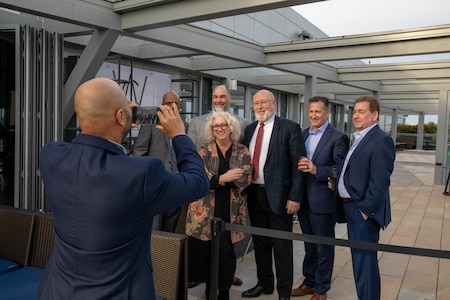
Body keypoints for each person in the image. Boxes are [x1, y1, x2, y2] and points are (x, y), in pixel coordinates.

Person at [38, 78, 209, 300]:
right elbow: (198, 182)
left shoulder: (51, 156)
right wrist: (179, 135)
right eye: (125, 105)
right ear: (120, 116)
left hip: (57, 290)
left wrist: (119, 122)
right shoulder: (141, 174)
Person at [242, 89, 306, 300]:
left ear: (274, 103)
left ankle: (284, 293)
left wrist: (295, 197)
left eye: (264, 102)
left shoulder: (289, 128)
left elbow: (298, 166)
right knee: (260, 243)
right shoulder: (250, 129)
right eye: (256, 103)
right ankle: (265, 284)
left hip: (280, 198)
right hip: (255, 195)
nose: (260, 107)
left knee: (281, 247)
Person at [185, 111, 252, 300]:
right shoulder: (204, 150)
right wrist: (224, 177)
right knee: (206, 253)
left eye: (224, 125)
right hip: (205, 211)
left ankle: (224, 291)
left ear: (231, 127)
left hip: (230, 210)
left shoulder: (242, 150)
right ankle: (209, 290)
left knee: (226, 254)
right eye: (216, 126)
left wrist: (215, 180)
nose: (220, 129)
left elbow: (246, 175)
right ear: (212, 130)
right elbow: (200, 177)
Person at [334, 96, 395, 300]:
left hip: (362, 212)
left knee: (364, 264)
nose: (355, 115)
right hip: (351, 209)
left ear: (374, 115)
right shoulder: (359, 138)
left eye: (361, 111)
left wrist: (365, 211)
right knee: (360, 262)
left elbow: (380, 181)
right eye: (354, 111)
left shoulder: (381, 140)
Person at [291, 96, 349, 300]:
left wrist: (317, 169)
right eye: (311, 112)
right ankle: (309, 282)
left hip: (323, 201)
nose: (313, 115)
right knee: (308, 244)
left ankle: (321, 289)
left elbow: (341, 169)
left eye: (318, 112)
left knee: (324, 247)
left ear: (327, 113)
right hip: (303, 200)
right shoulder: (304, 133)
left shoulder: (338, 137)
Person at [133, 91, 189, 233]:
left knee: (171, 229)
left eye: (175, 102)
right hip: (156, 186)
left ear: (180, 106)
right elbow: (139, 152)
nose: (172, 106)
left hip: (177, 186)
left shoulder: (185, 127)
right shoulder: (151, 124)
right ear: (162, 106)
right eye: (168, 103)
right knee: (155, 229)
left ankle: (167, 255)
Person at [188, 84, 248, 149]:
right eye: (215, 97)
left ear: (229, 98)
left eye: (222, 97)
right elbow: (189, 151)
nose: (218, 100)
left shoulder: (243, 123)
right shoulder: (196, 123)